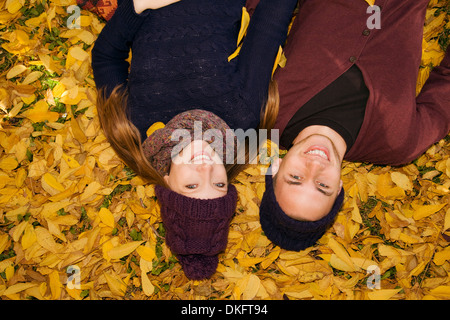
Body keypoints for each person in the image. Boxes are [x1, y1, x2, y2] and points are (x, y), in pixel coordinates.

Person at [91, 0, 298, 278]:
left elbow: (106, 57)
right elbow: (269, 25)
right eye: (218, 183)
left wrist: (138, 6)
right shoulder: (241, 116)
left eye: (192, 184)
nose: (206, 168)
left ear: (166, 182)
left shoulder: (134, 128)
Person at [258, 0, 450, 251]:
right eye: (322, 186)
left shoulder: (267, 105)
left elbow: (258, 22)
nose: (314, 167)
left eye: (295, 177)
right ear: (338, 188)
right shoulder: (397, 143)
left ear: (276, 167)